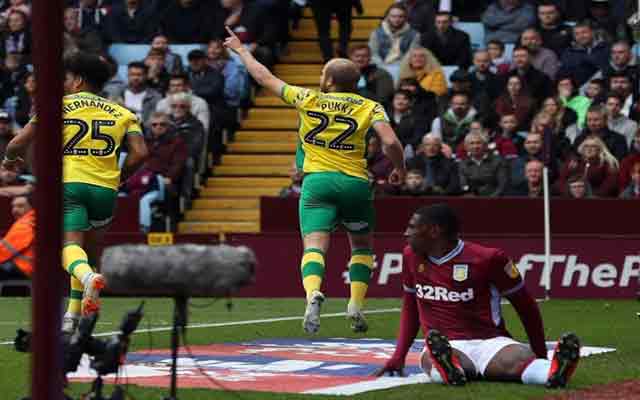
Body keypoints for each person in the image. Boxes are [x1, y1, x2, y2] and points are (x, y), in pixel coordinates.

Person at [224, 27, 406, 334]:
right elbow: (390, 142)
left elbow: (264, 77)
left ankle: (313, 294)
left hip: (317, 183)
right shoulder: (369, 106)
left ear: (329, 80)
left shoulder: (308, 98)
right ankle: (356, 306)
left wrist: (242, 50)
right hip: (356, 184)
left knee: (314, 246)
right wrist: (399, 167)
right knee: (361, 247)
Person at [1, 53, 149, 332]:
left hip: (69, 185)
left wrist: (9, 160)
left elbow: (17, 144)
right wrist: (119, 177)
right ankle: (72, 317)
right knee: (84, 250)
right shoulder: (124, 112)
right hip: (105, 190)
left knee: (68, 249)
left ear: (78, 80)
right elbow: (140, 154)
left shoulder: (56, 106)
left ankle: (89, 277)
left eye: (67, 78)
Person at [375, 204, 581, 389]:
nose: (406, 233)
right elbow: (411, 306)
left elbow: (526, 306)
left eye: (412, 227)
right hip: (444, 344)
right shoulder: (410, 256)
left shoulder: (489, 258)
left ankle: (552, 371)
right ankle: (449, 367)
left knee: (520, 359)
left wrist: (539, 352)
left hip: (490, 342)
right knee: (431, 358)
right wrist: (398, 355)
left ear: (434, 231)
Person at [369, 4, 420, 82]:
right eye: (393, 16)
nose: (397, 19)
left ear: (405, 18)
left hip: (402, 69)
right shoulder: (376, 33)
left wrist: (396, 67)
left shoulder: (414, 35)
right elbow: (373, 54)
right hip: (380, 68)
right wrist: (383, 67)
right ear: (387, 17)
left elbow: (411, 56)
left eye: (400, 16)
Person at [0, 194, 34, 281]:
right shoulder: (33, 220)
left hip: (24, 267)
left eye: (20, 206)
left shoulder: (25, 223)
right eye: (13, 206)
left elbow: (5, 251)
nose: (15, 210)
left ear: (31, 207)